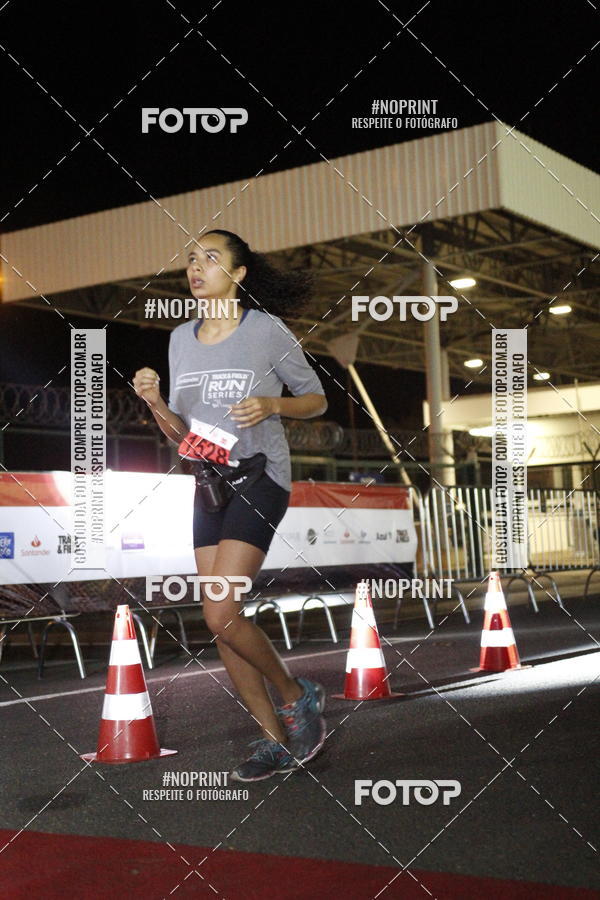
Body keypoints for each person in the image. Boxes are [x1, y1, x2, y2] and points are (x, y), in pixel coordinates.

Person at [133, 229, 328, 782]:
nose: (196, 267)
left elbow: (316, 400)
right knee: (221, 623)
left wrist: (273, 403)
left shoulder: (264, 330)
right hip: (209, 482)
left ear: (238, 275)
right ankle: (273, 739)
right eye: (191, 259)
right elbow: (180, 433)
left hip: (261, 477)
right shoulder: (180, 340)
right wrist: (153, 402)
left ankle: (296, 695)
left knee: (219, 611)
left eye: (210, 259)